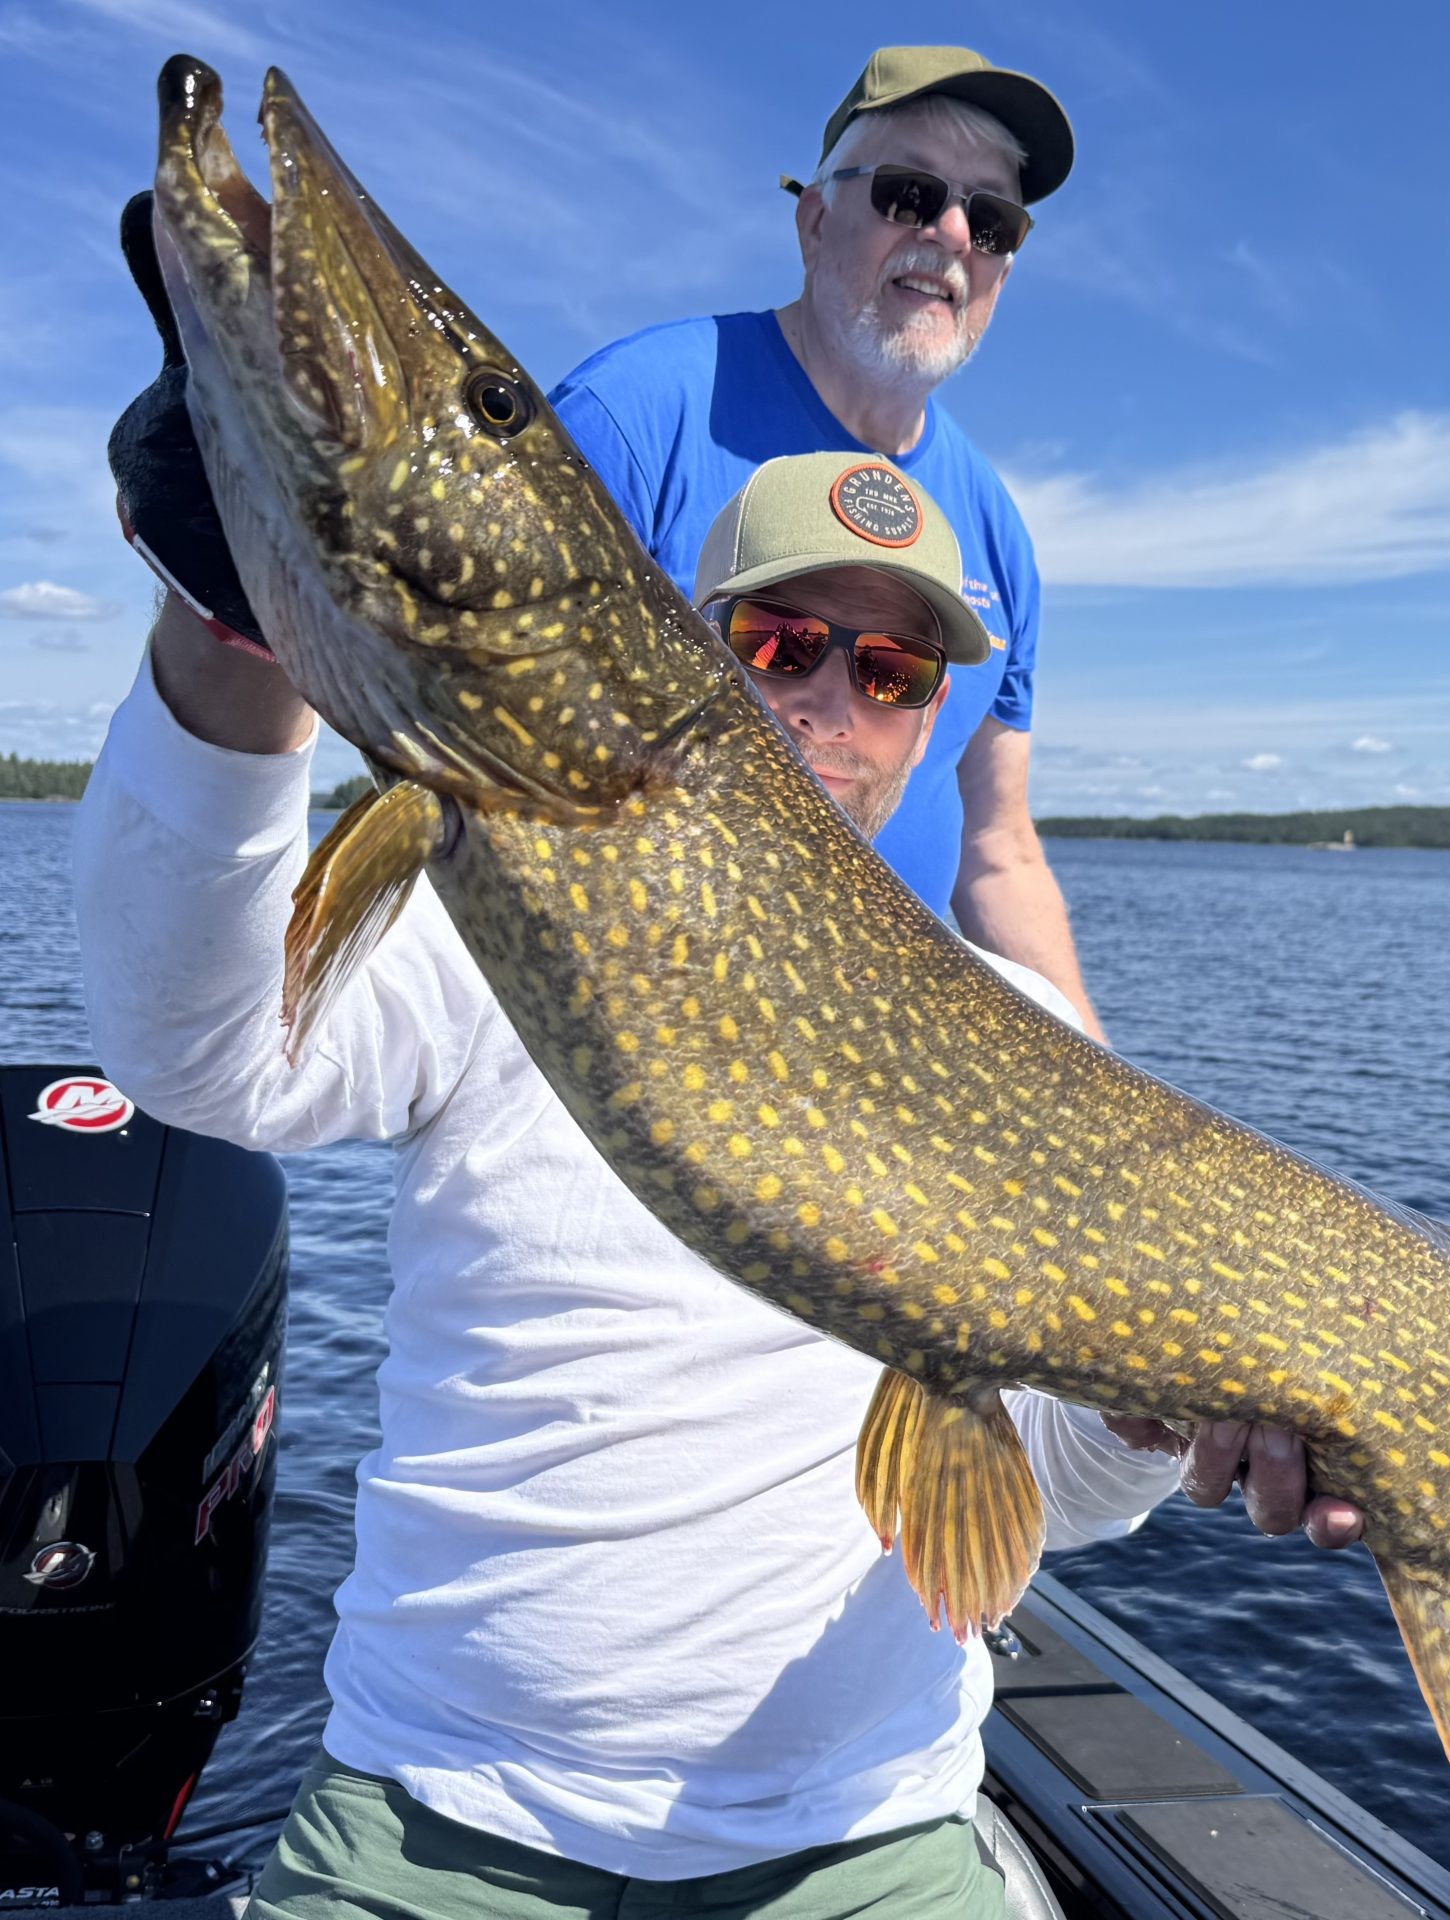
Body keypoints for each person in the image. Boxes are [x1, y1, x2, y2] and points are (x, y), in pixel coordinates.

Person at [78, 441, 1360, 1919]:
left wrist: (1145, 1425)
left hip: (865, 1839)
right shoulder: (509, 908)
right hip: (441, 1812)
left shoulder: (1026, 1035)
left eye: (891, 670)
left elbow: (1052, 1499)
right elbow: (201, 1053)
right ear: (693, 650)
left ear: (928, 719)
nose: (832, 699)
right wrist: (230, 633)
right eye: (783, 641)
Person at [548, 47, 1104, 1038]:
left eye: (991, 220)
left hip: (876, 1064)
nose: (951, 234)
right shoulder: (634, 415)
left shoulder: (997, 531)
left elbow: (997, 848)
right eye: (908, 194)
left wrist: (1102, 1089)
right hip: (635, 1025)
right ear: (813, 221)